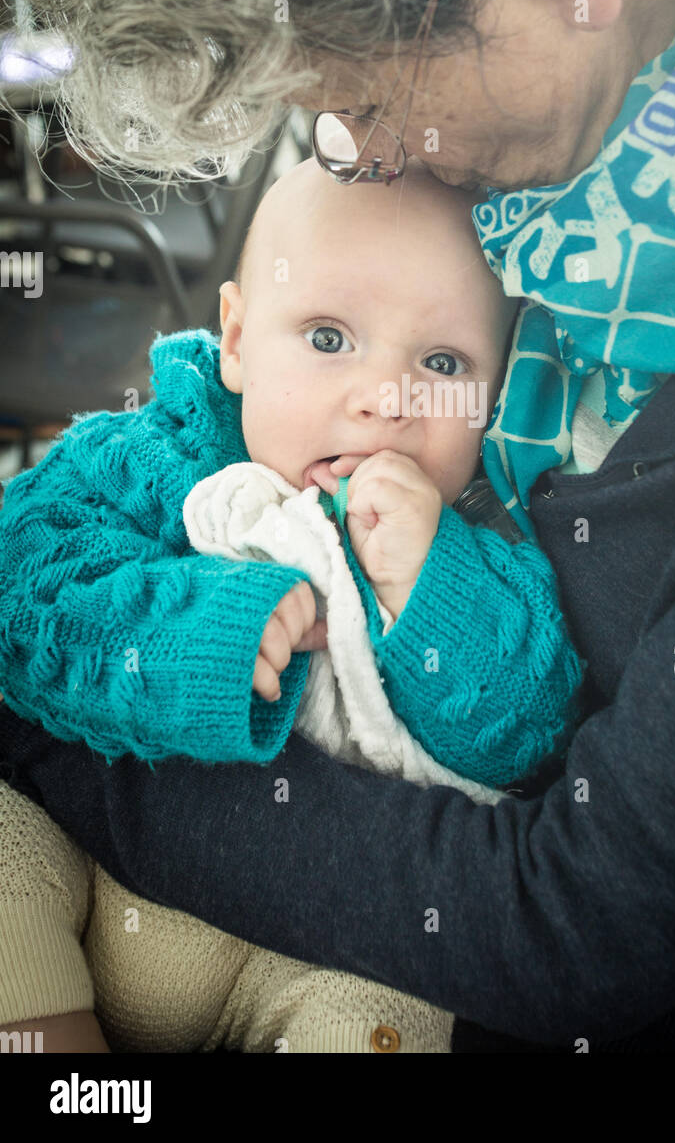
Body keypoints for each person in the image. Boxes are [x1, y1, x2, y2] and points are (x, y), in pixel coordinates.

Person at [0, 0, 675, 1054]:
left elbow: (562, 915)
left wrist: (55, 735)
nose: (371, 162)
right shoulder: (538, 165)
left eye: (359, 103)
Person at [0, 155, 589, 1051]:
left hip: (325, 954)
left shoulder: (480, 537)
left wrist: (433, 588)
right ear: (235, 339)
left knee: (403, 1016)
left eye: (441, 362)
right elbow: (26, 583)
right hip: (95, 886)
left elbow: (532, 724)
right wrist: (198, 626)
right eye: (327, 337)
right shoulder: (158, 451)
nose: (382, 402)